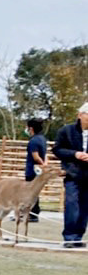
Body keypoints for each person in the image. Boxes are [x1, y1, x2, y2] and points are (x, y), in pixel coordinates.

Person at [54, 102, 88, 248]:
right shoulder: (66, 130)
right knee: (71, 203)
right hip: (72, 173)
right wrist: (74, 154)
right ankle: (69, 236)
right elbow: (57, 149)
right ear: (80, 115)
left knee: (84, 207)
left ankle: (78, 236)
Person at [24, 121, 48, 222]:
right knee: (35, 192)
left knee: (30, 192)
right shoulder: (42, 139)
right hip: (39, 170)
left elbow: (36, 156)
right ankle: (33, 212)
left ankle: (33, 214)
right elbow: (45, 154)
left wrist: (41, 163)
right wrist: (45, 164)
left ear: (31, 128)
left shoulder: (33, 141)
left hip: (32, 170)